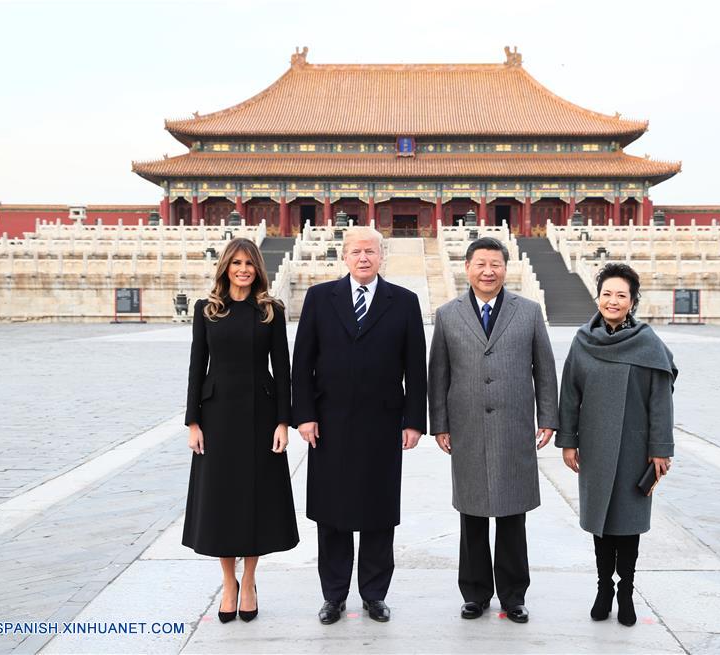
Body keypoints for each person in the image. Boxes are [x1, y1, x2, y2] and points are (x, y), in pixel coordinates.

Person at [291, 226, 427, 625]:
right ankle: (333, 596)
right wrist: (305, 415)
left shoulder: (402, 302)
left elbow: (415, 368)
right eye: (355, 251)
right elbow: (302, 363)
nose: (363, 258)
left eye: (370, 251)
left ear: (381, 256)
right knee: (332, 514)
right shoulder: (320, 298)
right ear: (344, 257)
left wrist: (413, 420)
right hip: (329, 424)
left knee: (378, 512)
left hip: (383, 423)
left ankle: (374, 594)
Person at [428, 237, 558, 624]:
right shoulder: (448, 314)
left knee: (512, 513)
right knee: (471, 514)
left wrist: (547, 417)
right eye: (481, 264)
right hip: (466, 426)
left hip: (513, 425)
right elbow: (439, 374)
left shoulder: (529, 312)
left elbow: (545, 369)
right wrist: (440, 425)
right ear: (466, 267)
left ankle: (514, 595)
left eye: (496, 264)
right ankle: (475, 593)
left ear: (506, 268)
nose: (488, 271)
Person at [183, 237, 299, 624]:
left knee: (255, 501)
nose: (243, 269)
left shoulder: (270, 311)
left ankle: (249, 581)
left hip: (260, 417)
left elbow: (282, 370)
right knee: (221, 501)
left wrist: (284, 421)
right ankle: (227, 582)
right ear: (225, 268)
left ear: (258, 269)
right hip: (216, 418)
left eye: (249, 263)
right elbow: (196, 366)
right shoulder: (207, 310)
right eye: (236, 263)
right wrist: (192, 422)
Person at [556, 262, 677, 627]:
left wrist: (661, 448)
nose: (612, 300)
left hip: (635, 448)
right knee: (601, 523)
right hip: (594, 445)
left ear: (632, 300)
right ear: (598, 298)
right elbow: (569, 395)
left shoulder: (648, 343)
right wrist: (568, 441)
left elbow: (661, 400)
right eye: (606, 293)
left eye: (620, 295)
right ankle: (603, 589)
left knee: (628, 524)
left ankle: (626, 591)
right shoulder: (582, 341)